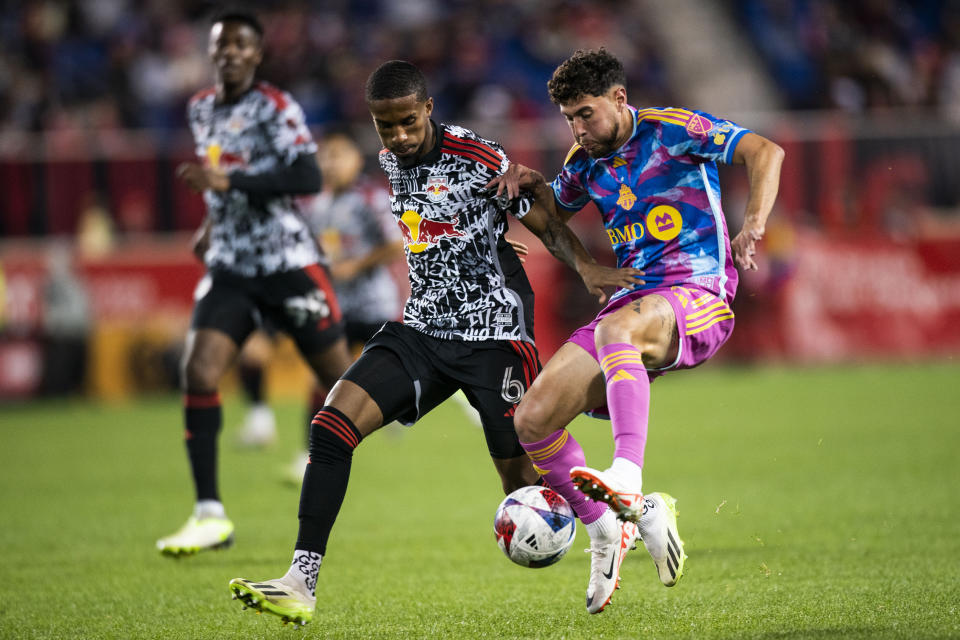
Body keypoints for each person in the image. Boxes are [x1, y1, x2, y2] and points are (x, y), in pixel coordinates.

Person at [227, 60, 638, 627]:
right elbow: (439, 225)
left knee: (519, 481)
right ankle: (301, 582)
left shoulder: (476, 156)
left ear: (427, 109)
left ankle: (615, 519)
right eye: (384, 126)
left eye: (406, 123)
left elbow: (542, 217)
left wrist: (588, 268)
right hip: (421, 329)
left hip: (494, 337)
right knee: (331, 426)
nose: (397, 136)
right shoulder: (389, 162)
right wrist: (477, 242)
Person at [488, 48, 785, 614]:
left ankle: (625, 473)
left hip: (698, 295)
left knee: (617, 330)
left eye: (586, 113)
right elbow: (549, 219)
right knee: (532, 419)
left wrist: (753, 225)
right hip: (629, 304)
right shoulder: (585, 160)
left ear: (619, 99)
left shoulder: (673, 129)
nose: (577, 127)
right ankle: (614, 525)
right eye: (569, 117)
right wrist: (527, 187)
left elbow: (765, 151)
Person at [156, 10, 354, 557]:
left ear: (257, 54)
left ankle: (323, 467)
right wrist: (210, 224)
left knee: (341, 380)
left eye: (242, 45)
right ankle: (209, 514)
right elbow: (219, 183)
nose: (230, 53)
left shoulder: (274, 106)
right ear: (211, 50)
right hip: (232, 267)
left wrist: (229, 181)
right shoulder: (200, 109)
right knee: (197, 370)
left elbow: (306, 177)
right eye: (222, 45)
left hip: (288, 262)